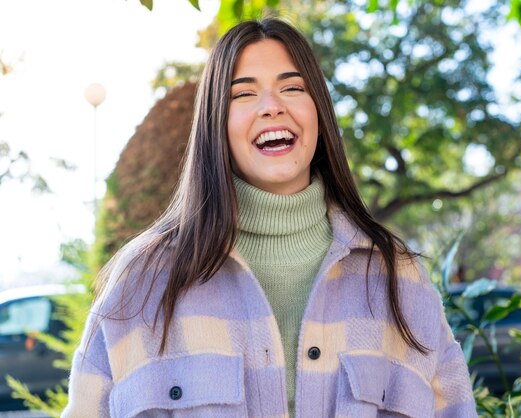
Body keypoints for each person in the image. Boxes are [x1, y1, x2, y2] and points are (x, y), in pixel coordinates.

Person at [63, 18, 477, 418]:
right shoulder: (142, 284)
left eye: (292, 87)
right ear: (215, 123)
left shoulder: (399, 280)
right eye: (243, 94)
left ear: (319, 112)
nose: (272, 107)